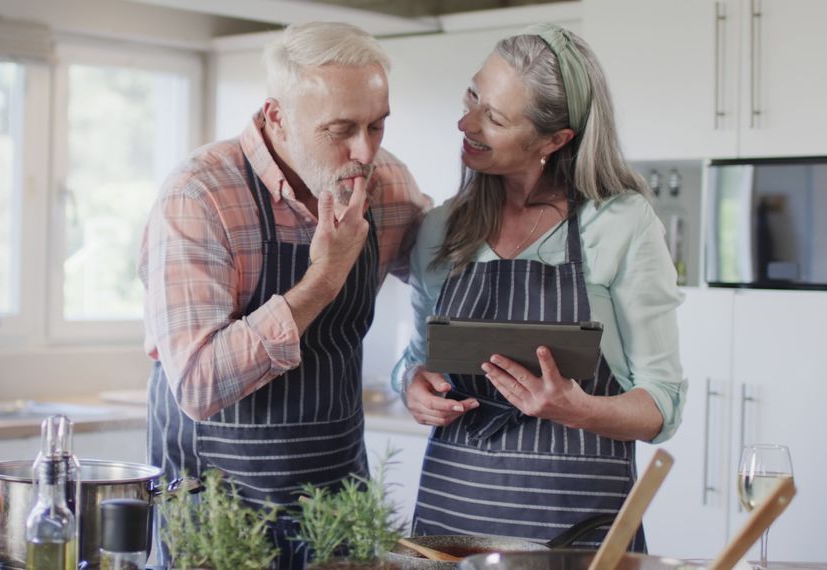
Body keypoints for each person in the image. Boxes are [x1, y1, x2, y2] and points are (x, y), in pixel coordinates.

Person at [139, 21, 430, 568]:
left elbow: (449, 279)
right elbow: (199, 384)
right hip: (219, 511)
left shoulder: (384, 185)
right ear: (277, 116)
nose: (364, 151)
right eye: (341, 129)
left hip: (336, 505)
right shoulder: (200, 196)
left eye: (377, 126)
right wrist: (324, 278)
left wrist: (415, 368)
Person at [392, 24, 685, 551]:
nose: (465, 122)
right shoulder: (441, 228)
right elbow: (415, 358)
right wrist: (413, 384)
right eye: (473, 95)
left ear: (555, 140)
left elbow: (662, 406)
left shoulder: (620, 224)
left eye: (495, 118)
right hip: (453, 520)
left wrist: (579, 409)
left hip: (576, 532)